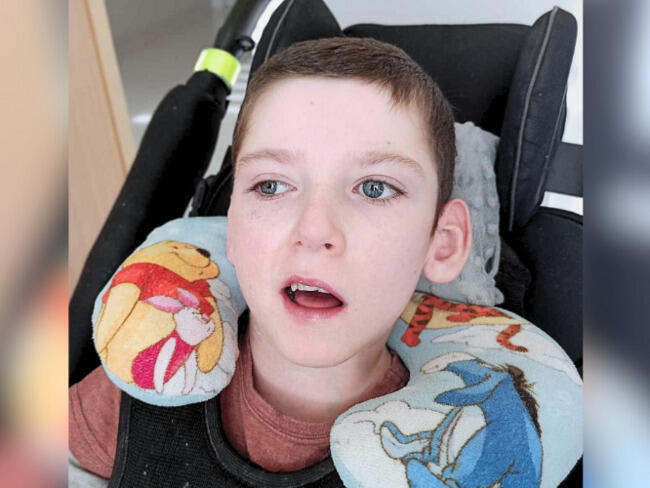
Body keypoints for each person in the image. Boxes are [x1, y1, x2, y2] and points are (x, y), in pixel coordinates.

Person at [69, 37, 471, 484]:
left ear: (443, 243)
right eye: (272, 186)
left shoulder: (464, 452)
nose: (314, 229)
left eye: (375, 188)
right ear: (232, 229)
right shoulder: (138, 389)